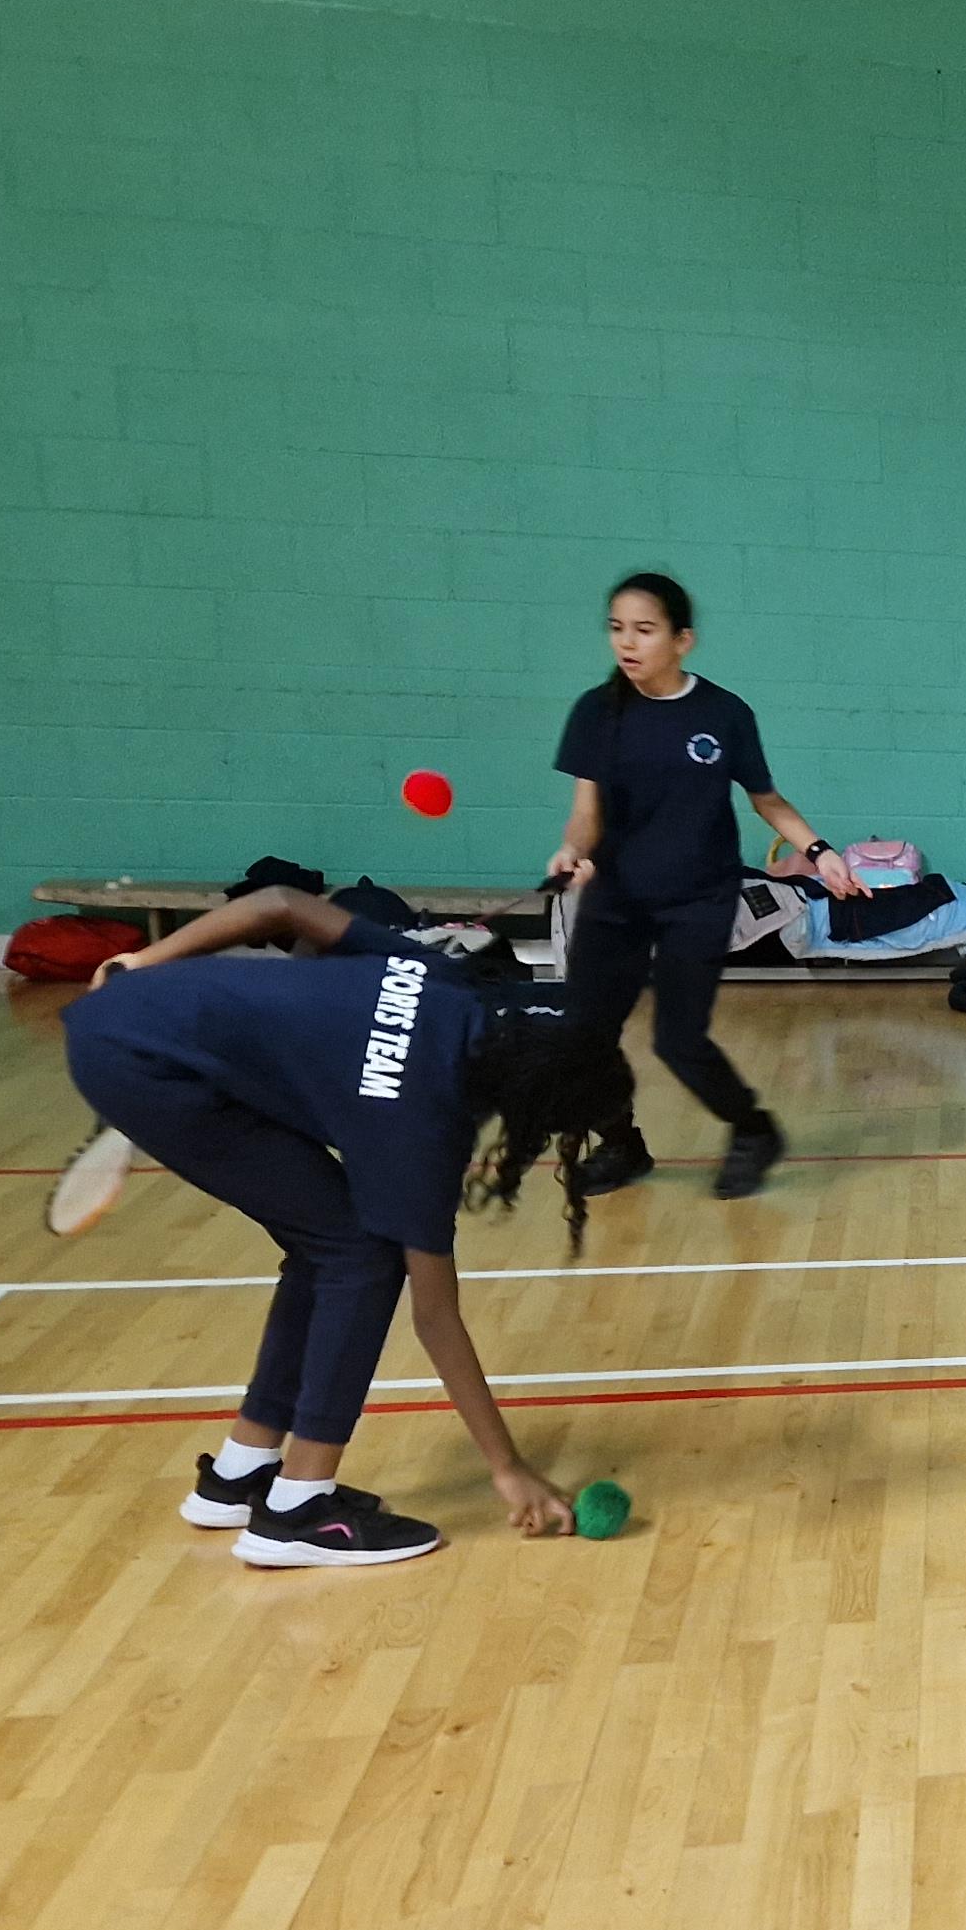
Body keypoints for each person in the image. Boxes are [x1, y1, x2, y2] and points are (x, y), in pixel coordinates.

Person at [62, 887, 635, 1567]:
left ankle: (243, 1471)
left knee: (327, 1242)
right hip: (144, 1066)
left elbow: (281, 903)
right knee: (360, 1258)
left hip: (132, 1009)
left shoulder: (445, 981)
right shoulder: (421, 1124)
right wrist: (506, 1466)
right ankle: (298, 1511)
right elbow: (436, 1317)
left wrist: (144, 960)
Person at [549, 571, 862, 1200]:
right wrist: (572, 852)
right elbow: (586, 814)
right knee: (585, 1034)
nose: (627, 643)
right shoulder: (596, 711)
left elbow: (768, 801)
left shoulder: (723, 714)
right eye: (616, 628)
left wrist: (819, 851)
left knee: (678, 1040)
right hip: (616, 900)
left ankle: (753, 1130)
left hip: (699, 899)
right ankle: (622, 1143)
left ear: (682, 639)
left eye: (644, 630)